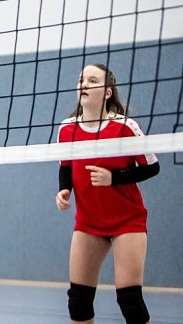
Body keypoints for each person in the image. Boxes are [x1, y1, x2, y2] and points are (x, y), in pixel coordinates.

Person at [56, 64, 160, 324]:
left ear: (107, 93)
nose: (84, 85)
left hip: (127, 221)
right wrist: (64, 190)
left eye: (93, 80)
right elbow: (65, 167)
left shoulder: (125, 127)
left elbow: (152, 167)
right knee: (78, 302)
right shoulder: (67, 129)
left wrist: (114, 178)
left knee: (129, 300)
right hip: (89, 223)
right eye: (82, 80)